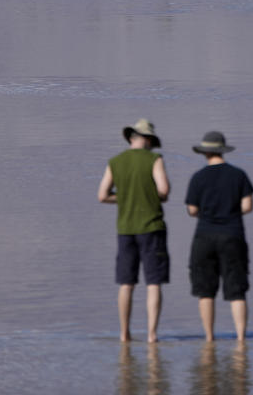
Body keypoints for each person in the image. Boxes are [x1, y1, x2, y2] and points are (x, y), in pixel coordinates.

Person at [97, 119, 171, 343]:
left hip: (125, 229)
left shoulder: (115, 162)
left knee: (126, 283)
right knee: (153, 282)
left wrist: (125, 197)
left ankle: (124, 333)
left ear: (131, 138)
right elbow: (164, 190)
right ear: (147, 140)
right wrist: (148, 196)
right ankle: (151, 334)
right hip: (151, 226)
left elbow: (102, 195)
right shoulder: (154, 159)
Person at [185, 131, 253, 342]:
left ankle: (209, 337)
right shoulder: (238, 175)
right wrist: (230, 212)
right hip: (233, 234)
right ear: (223, 150)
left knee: (205, 291)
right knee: (237, 290)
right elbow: (247, 206)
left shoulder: (198, 177)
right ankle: (241, 338)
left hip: (204, 235)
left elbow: (192, 210)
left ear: (205, 152)